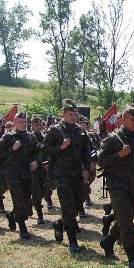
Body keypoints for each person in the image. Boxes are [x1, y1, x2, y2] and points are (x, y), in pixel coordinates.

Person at [98, 103, 134, 268]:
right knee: (126, 220)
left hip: (133, 185)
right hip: (117, 184)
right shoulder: (113, 139)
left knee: (127, 217)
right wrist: (119, 154)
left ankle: (108, 241)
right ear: (123, 119)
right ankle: (132, 257)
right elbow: (101, 160)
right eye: (131, 119)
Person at [41, 99, 92, 253]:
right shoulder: (55, 130)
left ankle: (60, 224)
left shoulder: (80, 131)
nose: (74, 117)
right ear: (63, 114)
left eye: (75, 114)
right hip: (62, 173)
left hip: (77, 173)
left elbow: (86, 151)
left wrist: (87, 168)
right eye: (70, 114)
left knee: (77, 204)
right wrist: (60, 147)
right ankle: (72, 240)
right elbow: (44, 149)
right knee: (68, 206)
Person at [0, 112, 40, 239]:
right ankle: (22, 226)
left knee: (26, 200)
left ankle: (12, 215)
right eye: (21, 121)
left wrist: (36, 161)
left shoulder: (31, 137)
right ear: (14, 123)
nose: (23, 124)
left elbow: (37, 152)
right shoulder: (8, 137)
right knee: (18, 199)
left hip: (27, 173)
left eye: (25, 122)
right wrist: (13, 149)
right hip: (12, 173)